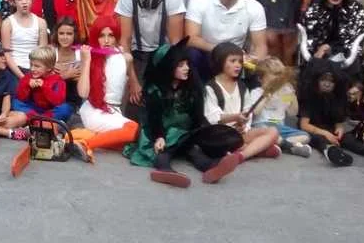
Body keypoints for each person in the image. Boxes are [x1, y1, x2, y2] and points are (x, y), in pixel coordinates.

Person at [123, 39, 243, 187]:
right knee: (165, 149)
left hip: (184, 133)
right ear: (168, 67)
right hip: (160, 132)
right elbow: (154, 118)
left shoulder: (190, 88)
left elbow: (197, 117)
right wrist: (159, 137)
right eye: (180, 65)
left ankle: (211, 167)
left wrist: (208, 136)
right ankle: (164, 169)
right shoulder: (155, 90)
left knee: (193, 149)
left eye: (187, 64)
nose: (187, 68)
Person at [115, 0, 185, 114]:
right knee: (134, 104)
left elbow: (175, 42)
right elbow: (125, 41)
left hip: (163, 54)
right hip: (137, 55)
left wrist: (170, 75)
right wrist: (133, 81)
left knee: (162, 101)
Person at [69, 16, 138, 160]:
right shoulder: (90, 57)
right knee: (134, 129)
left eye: (111, 35)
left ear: (116, 36)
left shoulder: (126, 58)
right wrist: (86, 61)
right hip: (94, 111)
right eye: (101, 36)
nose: (106, 40)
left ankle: (80, 136)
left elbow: (128, 86)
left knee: (128, 143)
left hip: (113, 111)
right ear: (96, 37)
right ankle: (86, 144)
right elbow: (83, 93)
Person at [185, 0, 267, 82]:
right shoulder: (198, 1)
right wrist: (224, 51)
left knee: (257, 68)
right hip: (207, 52)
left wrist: (255, 60)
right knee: (192, 54)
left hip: (237, 60)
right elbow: (191, 39)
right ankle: (197, 91)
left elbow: (260, 45)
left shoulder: (254, 7)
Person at [203, 43, 281, 162]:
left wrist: (244, 126)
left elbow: (247, 111)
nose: (238, 65)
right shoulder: (210, 87)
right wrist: (236, 117)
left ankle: (240, 156)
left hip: (239, 133)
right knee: (270, 145)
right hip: (220, 135)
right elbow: (213, 117)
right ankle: (255, 149)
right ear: (220, 62)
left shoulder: (242, 87)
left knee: (273, 132)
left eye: (240, 62)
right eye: (233, 61)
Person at [298, 57, 356, 166]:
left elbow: (338, 120)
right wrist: (326, 134)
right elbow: (304, 125)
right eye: (323, 80)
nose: (327, 84)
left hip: (330, 130)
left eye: (331, 81)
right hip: (313, 130)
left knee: (348, 139)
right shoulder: (309, 96)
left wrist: (339, 128)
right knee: (319, 139)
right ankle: (331, 152)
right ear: (317, 80)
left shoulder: (337, 98)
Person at [251, 57, 313, 157]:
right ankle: (290, 146)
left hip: (280, 126)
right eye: (271, 79)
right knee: (268, 133)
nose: (275, 82)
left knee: (305, 136)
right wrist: (266, 96)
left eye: (278, 77)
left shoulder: (283, 93)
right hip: (262, 125)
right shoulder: (257, 92)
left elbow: (293, 112)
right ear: (260, 79)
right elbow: (255, 112)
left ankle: (279, 144)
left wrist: (293, 96)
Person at [1, 0, 47, 77]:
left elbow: (43, 52)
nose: (24, 2)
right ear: (13, 1)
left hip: (36, 69)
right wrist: (22, 77)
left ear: (32, 0)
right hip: (14, 69)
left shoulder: (41, 22)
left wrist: (37, 73)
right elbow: (7, 54)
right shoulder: (7, 23)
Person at [13, 46, 71, 121]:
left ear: (49, 68)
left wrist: (44, 87)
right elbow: (20, 97)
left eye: (37, 66)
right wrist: (27, 85)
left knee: (65, 108)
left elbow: (58, 102)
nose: (32, 69)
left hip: (50, 110)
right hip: (34, 108)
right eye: (31, 65)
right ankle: (37, 119)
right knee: (15, 102)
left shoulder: (58, 81)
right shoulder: (29, 76)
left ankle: (40, 119)